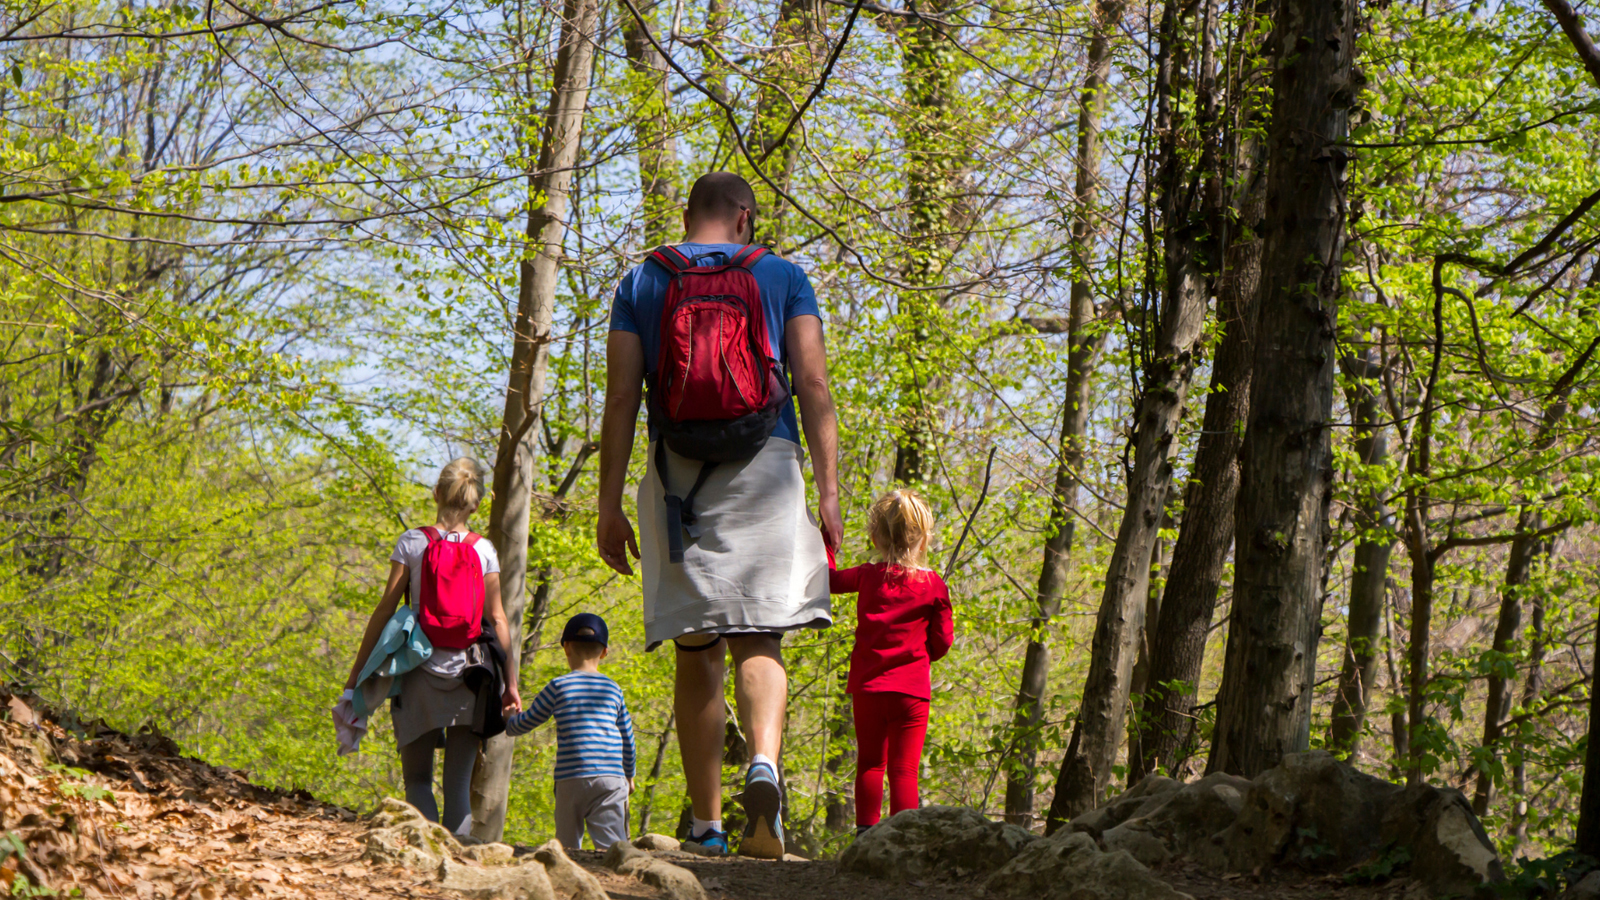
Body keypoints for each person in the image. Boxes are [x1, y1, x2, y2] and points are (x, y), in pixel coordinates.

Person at [595, 172, 842, 859]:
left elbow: (621, 398)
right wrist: (827, 493)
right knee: (761, 639)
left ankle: (706, 826)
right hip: (767, 465)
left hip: (681, 480)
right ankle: (763, 764)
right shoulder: (783, 276)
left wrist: (609, 504)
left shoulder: (644, 280)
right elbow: (814, 383)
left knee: (696, 650)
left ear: (687, 215)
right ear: (744, 218)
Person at [344, 459, 519, 834]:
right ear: (476, 503)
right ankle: (458, 868)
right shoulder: (484, 549)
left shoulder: (412, 542)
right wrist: (511, 685)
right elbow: (499, 619)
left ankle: (428, 860)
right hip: (471, 678)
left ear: (436, 493)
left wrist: (357, 674)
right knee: (457, 786)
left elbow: (385, 610)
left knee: (418, 781)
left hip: (416, 672)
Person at [828, 488, 953, 834]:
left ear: (875, 537)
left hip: (868, 688)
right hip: (911, 693)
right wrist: (921, 655)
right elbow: (942, 642)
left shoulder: (867, 575)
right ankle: (902, 837)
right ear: (925, 539)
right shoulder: (933, 585)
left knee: (869, 763)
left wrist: (827, 542)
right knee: (904, 769)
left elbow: (829, 580)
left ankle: (865, 833)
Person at [505, 613, 637, 852]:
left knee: (566, 848)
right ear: (605, 652)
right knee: (613, 848)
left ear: (566, 648)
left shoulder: (557, 686)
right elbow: (627, 737)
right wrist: (629, 774)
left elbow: (526, 723)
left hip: (570, 777)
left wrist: (509, 719)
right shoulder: (613, 689)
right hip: (610, 778)